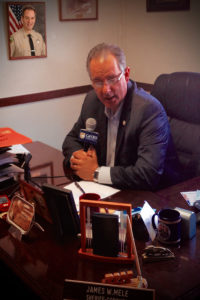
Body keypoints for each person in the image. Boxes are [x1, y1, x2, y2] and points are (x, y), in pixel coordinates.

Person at [62, 43, 180, 190]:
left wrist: (95, 172)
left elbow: (147, 174)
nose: (106, 90)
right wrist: (79, 158)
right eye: (98, 81)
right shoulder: (92, 101)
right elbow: (71, 140)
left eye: (112, 79)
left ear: (126, 74)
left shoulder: (149, 110)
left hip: (153, 198)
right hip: (106, 189)